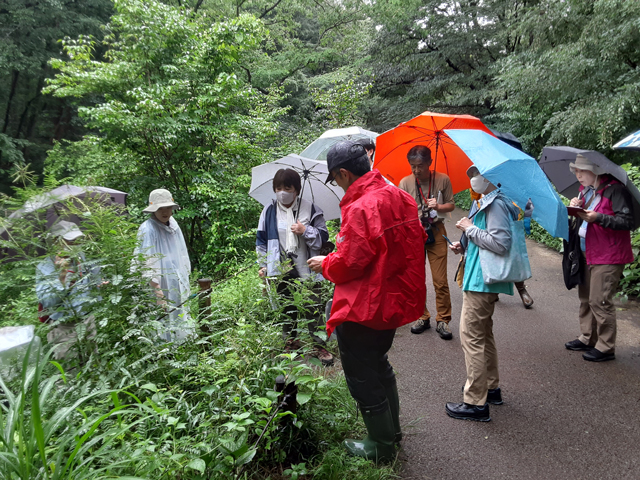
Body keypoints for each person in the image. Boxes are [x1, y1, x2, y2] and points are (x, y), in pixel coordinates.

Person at [307, 141, 426, 461]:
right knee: (379, 365)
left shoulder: (361, 206)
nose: (338, 186)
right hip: (391, 298)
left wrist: (326, 263)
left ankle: (382, 447)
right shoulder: (396, 195)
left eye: (336, 179)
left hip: (365, 305)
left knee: (362, 376)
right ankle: (393, 433)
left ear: (344, 173)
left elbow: (350, 263)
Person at [446, 166, 522, 422]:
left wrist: (469, 229)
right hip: (480, 276)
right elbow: (485, 239)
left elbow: (501, 244)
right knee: (484, 334)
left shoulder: (496, 204)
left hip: (482, 279)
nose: (472, 178)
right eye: (470, 173)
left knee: (471, 336)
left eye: (477, 173)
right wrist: (464, 244)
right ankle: (491, 389)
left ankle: (475, 402)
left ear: (492, 178)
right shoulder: (487, 201)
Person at [256, 168, 334, 366]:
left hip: (309, 267)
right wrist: (263, 265)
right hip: (281, 269)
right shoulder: (269, 210)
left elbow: (323, 237)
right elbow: (262, 240)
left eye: (287, 187)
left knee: (313, 307)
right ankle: (291, 342)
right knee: (287, 307)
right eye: (278, 188)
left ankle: (318, 344)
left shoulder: (311, 209)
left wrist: (305, 230)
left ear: (296, 190)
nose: (282, 191)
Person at [564, 154, 635, 362]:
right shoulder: (586, 191)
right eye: (576, 171)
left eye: (582, 171)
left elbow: (627, 221)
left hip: (609, 254)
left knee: (599, 299)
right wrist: (576, 205)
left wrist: (598, 218)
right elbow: (583, 218)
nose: (578, 175)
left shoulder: (615, 190)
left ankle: (606, 347)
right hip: (587, 251)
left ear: (595, 170)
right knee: (585, 297)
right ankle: (587, 337)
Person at [398, 145, 455, 340]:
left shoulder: (442, 179)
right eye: (413, 166)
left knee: (440, 281)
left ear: (430, 162)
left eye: (420, 165)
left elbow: (451, 205)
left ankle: (443, 320)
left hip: (437, 232)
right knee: (416, 280)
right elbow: (400, 212)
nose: (416, 170)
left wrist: (438, 206)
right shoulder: (405, 183)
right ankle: (422, 316)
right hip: (414, 235)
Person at [36, 220, 100, 361]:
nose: (75, 245)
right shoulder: (45, 266)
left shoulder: (81, 257)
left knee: (94, 366)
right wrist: (62, 275)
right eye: (70, 241)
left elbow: (94, 280)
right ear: (55, 241)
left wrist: (100, 287)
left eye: (77, 240)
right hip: (64, 328)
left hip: (88, 320)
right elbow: (48, 302)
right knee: (69, 372)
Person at [134, 188, 193, 342]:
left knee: (179, 314)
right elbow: (147, 261)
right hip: (159, 284)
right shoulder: (148, 229)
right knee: (161, 319)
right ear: (153, 210)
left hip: (176, 280)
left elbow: (181, 253)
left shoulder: (173, 225)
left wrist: (185, 276)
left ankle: (181, 347)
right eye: (160, 208)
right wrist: (157, 291)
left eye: (167, 207)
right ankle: (163, 353)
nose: (164, 211)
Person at [470, 189, 534, 308]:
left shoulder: (504, 179)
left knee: (512, 258)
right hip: (485, 215)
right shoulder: (478, 180)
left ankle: (522, 290)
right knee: (490, 253)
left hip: (506, 214)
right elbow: (475, 197)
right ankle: (494, 290)